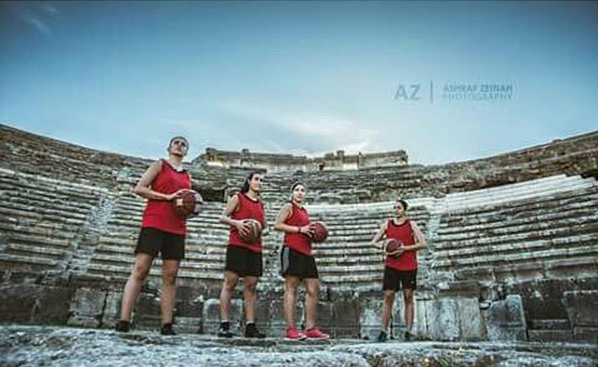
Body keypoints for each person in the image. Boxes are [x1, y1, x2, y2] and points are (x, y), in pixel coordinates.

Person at [115, 136, 192, 335]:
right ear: (169, 147)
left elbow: (187, 202)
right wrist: (166, 197)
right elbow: (139, 188)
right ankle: (124, 320)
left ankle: (167, 324)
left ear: (186, 151)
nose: (180, 145)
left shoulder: (186, 175)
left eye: (184, 144)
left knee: (170, 275)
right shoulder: (160, 165)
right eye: (176, 142)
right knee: (140, 269)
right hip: (154, 222)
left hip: (177, 227)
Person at [274, 182, 329, 340]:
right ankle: (291, 329)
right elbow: (277, 225)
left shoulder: (304, 211)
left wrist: (312, 236)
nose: (299, 193)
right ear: (292, 193)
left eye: (302, 190)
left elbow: (307, 231)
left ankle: (310, 327)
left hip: (306, 252)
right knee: (291, 288)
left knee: (314, 289)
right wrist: (300, 230)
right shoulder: (288, 207)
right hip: (292, 250)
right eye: (296, 190)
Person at [217, 172, 267, 338]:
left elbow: (263, 226)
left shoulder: (261, 204)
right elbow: (222, 217)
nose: (259, 182)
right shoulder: (238, 197)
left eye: (261, 180)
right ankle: (224, 324)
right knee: (230, 283)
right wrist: (237, 223)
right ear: (249, 181)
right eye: (256, 179)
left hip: (255, 247)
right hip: (237, 244)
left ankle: (250, 326)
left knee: (251, 285)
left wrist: (256, 228)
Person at [370, 199, 427, 342]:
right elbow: (372, 242)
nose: (396, 210)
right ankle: (383, 331)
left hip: (409, 265)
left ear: (404, 210)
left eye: (399, 208)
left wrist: (404, 248)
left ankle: (408, 331)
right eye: (394, 207)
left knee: (408, 296)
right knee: (388, 296)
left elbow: (423, 243)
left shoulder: (411, 224)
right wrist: (386, 246)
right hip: (392, 264)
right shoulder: (387, 224)